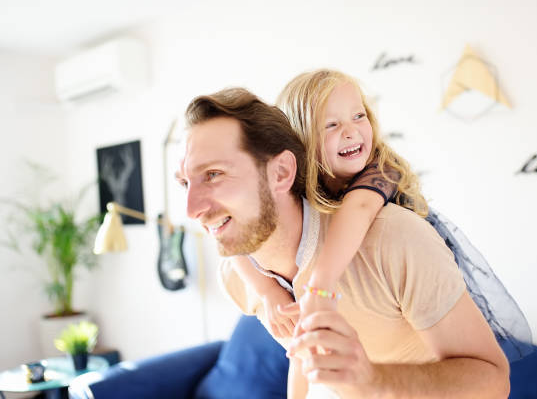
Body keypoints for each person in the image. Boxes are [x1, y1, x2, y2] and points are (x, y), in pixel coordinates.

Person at [176, 87, 510, 398]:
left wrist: (374, 381)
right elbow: (304, 361)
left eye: (214, 174)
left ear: (281, 173)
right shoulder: (237, 277)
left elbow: (494, 381)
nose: (191, 210)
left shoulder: (392, 239)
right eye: (185, 182)